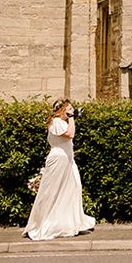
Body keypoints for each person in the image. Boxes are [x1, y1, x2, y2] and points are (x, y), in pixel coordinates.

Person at [24, 98, 95, 240]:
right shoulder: (56, 122)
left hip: (68, 160)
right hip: (58, 159)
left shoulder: (61, 122)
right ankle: (45, 223)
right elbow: (70, 135)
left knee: (73, 188)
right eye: (68, 108)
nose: (71, 110)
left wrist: (70, 119)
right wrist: (72, 119)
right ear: (62, 110)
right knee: (53, 191)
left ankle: (72, 222)